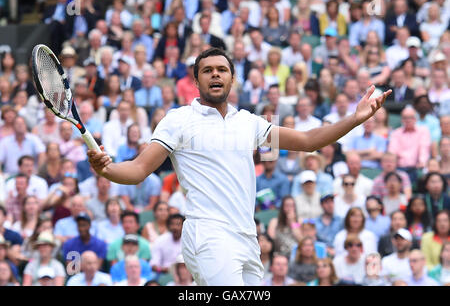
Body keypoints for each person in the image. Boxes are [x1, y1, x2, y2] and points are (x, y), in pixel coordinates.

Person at [87, 47, 391, 285]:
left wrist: (355, 118)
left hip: (247, 238)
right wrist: (106, 170)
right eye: (207, 71)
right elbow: (139, 170)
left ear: (233, 79)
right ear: (196, 80)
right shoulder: (178, 120)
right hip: (208, 234)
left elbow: (310, 140)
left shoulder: (249, 122)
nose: (215, 75)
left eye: (222, 70)